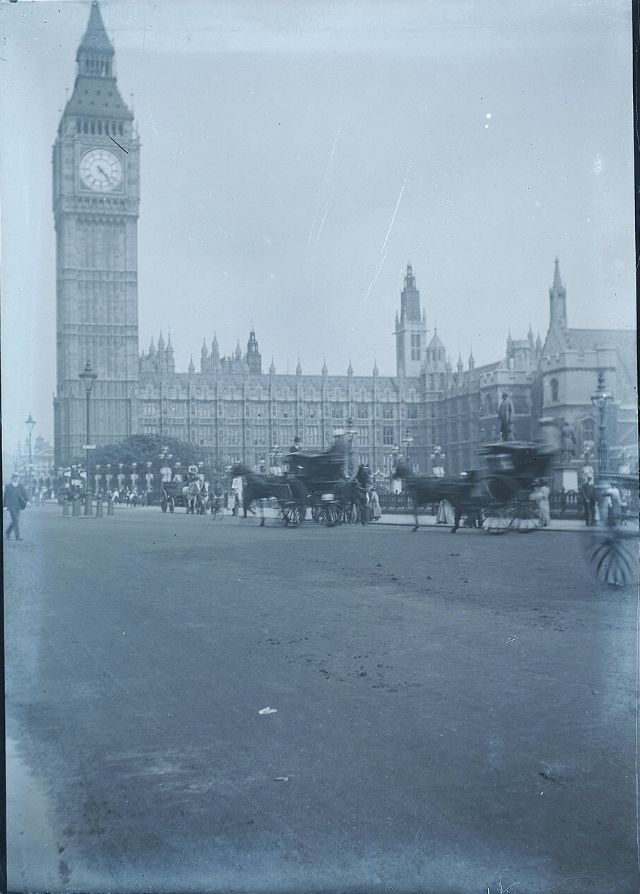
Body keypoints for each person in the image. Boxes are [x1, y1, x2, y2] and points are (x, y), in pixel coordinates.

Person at [4, 473, 28, 541]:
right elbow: (6, 497)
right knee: (16, 520)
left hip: (18, 506)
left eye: (17, 477)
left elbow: (24, 494)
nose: (16, 478)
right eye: (15, 477)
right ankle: (17, 536)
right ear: (12, 478)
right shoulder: (8, 486)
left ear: (18, 478)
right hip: (11, 506)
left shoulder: (20, 486)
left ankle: (8, 532)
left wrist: (27, 500)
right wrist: (5, 506)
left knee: (15, 520)